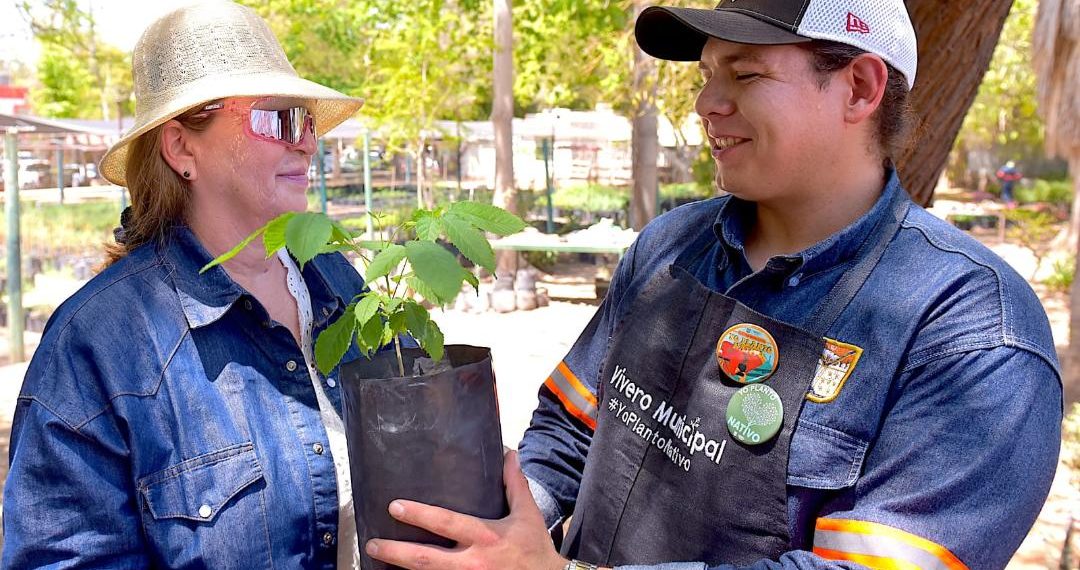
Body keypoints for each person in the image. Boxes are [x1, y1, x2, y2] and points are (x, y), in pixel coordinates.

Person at [363, 1, 1063, 569]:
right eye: (706, 74)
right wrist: (506, 528)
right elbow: (571, 427)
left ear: (859, 87)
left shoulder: (969, 330)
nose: (706, 103)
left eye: (746, 74)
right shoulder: (669, 247)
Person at [2, 1, 387, 567]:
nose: (307, 143)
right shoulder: (97, 345)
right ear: (182, 147)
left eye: (306, 121)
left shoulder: (339, 281)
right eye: (279, 119)